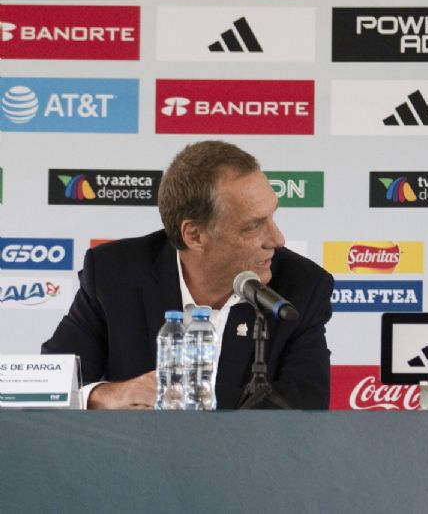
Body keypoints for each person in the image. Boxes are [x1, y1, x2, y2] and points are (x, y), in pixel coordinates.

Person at [42, 141, 334, 410]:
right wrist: (110, 395)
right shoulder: (114, 274)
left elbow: (305, 408)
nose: (277, 238)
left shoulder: (300, 287)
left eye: (272, 216)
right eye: (253, 226)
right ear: (194, 235)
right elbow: (51, 383)